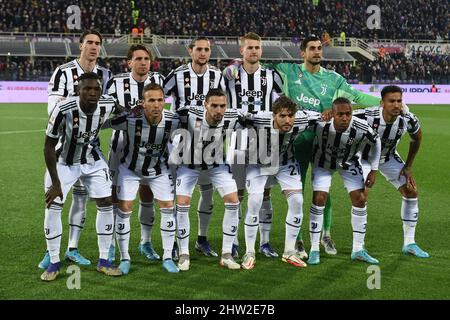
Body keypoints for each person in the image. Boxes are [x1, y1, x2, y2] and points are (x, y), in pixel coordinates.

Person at [224, 35, 382, 259]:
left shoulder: (334, 79)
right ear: (302, 53)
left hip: (321, 142)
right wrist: (234, 65)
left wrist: (381, 103)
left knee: (322, 191)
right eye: (312, 49)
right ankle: (296, 241)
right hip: (293, 142)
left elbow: (356, 96)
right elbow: (257, 64)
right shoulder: (288, 70)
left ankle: (325, 234)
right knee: (291, 192)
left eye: (319, 48)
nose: (317, 52)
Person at [40, 29, 111, 270]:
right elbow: (53, 107)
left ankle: (73, 248)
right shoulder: (63, 72)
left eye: (97, 43)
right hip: (64, 147)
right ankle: (51, 253)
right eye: (89, 42)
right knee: (56, 201)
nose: (93, 47)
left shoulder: (105, 74)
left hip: (91, 149)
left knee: (81, 202)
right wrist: (76, 107)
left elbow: (105, 109)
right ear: (80, 46)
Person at [41, 73, 122, 281]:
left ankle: (104, 261)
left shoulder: (107, 103)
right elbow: (48, 146)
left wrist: (133, 113)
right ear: (79, 91)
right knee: (53, 203)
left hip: (92, 159)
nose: (93, 92)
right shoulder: (64, 109)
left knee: (106, 202)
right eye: (88, 89)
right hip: (64, 162)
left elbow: (122, 111)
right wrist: (56, 184)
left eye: (96, 89)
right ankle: (54, 261)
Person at [105, 83, 181, 274]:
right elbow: (103, 123)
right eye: (151, 100)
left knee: (168, 207)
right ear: (143, 103)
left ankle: (167, 257)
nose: (156, 105)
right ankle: (125, 258)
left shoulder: (173, 120)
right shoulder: (130, 119)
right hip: (129, 169)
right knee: (125, 207)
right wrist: (125, 111)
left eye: (160, 100)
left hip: (158, 169)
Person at [240, 96, 321, 270]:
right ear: (274, 115)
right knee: (255, 201)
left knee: (297, 201)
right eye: (282, 116)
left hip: (285, 162)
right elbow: (238, 116)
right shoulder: (259, 119)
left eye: (290, 115)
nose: (287, 120)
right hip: (258, 162)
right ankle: (249, 251)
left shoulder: (302, 119)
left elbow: (324, 116)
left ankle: (289, 251)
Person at [164, 37, 226, 258]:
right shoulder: (177, 74)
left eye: (207, 50)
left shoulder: (217, 76)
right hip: (180, 143)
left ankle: (201, 238)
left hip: (210, 145)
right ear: (190, 51)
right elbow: (159, 98)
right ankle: (172, 241)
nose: (203, 53)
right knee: (175, 195)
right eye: (198, 49)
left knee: (207, 193)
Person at [224, 32, 284, 259]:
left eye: (257, 47)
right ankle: (235, 241)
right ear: (241, 50)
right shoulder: (229, 75)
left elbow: (282, 103)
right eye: (249, 47)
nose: (254, 51)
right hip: (238, 140)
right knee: (237, 193)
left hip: (267, 141)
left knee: (266, 193)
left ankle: (265, 242)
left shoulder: (271, 75)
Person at [354, 85, 429, 258]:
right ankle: (358, 248)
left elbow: (417, 138)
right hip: (363, 158)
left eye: (399, 101)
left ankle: (409, 243)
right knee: (361, 195)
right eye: (392, 101)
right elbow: (343, 117)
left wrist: (408, 166)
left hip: (387, 157)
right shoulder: (366, 116)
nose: (396, 105)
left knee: (411, 191)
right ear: (382, 103)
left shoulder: (407, 119)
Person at [170, 88, 241, 271]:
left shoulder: (232, 117)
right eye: (214, 106)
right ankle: (184, 253)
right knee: (183, 202)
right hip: (188, 166)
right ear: (205, 105)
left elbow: (258, 118)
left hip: (216, 165)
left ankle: (226, 253)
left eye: (222, 106)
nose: (219, 110)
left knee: (234, 200)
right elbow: (167, 118)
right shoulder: (188, 114)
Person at [106, 44, 165, 263]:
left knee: (147, 193)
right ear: (129, 62)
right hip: (120, 148)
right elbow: (106, 109)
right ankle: (111, 244)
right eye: (138, 58)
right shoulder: (116, 83)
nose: (143, 62)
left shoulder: (159, 79)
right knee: (116, 197)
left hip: (150, 149)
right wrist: (128, 113)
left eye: (146, 59)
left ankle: (145, 242)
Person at [306, 97, 381, 265]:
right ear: (332, 114)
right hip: (322, 164)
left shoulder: (361, 127)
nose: (345, 118)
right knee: (319, 199)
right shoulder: (320, 123)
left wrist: (374, 170)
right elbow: (299, 119)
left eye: (348, 114)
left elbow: (377, 142)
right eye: (340, 114)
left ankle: (358, 249)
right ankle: (314, 249)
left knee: (360, 199)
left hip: (349, 163)